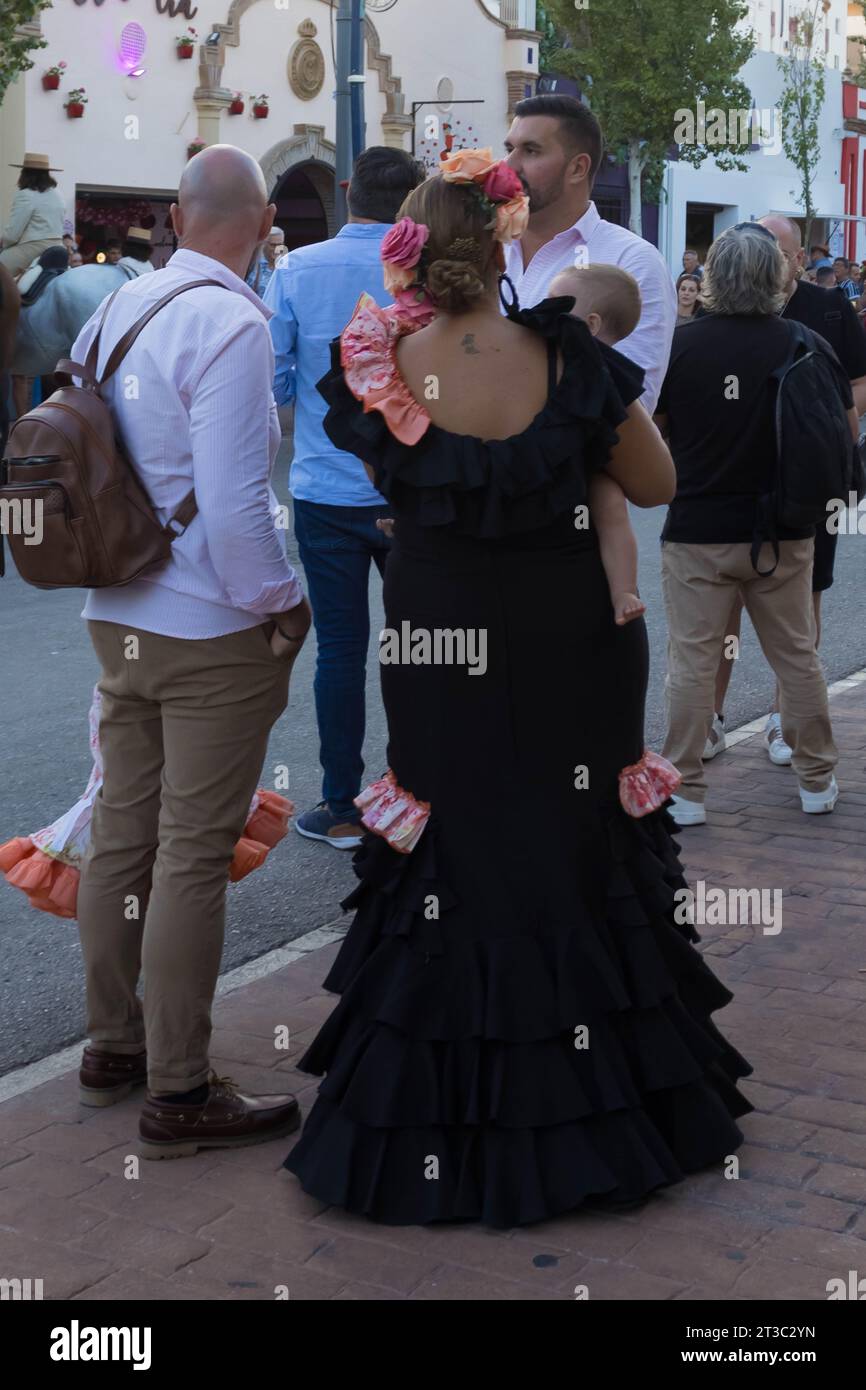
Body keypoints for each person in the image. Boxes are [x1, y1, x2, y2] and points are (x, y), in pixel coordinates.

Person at [283, 151, 753, 1228]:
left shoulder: (384, 355)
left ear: (410, 244)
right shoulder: (564, 353)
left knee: (453, 839)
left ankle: (441, 1115)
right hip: (566, 637)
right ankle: (602, 1098)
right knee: (569, 837)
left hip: (440, 630)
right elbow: (653, 484)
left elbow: (377, 479)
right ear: (503, 237)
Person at [68, 144, 312, 1155]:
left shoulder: (113, 308)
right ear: (260, 228)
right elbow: (234, 504)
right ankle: (178, 1086)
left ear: (173, 215)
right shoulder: (232, 324)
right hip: (208, 626)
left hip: (112, 608)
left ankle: (112, 1045)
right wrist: (284, 603)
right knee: (192, 854)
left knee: (124, 835)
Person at [655, 223, 853, 826]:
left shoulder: (678, 347)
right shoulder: (806, 343)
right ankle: (816, 777)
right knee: (796, 656)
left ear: (712, 278)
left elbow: (654, 436)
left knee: (692, 661)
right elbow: (842, 436)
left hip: (697, 530)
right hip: (785, 529)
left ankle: (685, 790)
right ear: (779, 278)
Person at [265, 146, 425, 850]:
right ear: (413, 201)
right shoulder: (421, 273)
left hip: (325, 489)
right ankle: (415, 788)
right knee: (419, 644)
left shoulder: (296, 268)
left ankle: (340, 804)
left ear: (349, 188)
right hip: (408, 487)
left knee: (340, 650)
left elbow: (272, 380)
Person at [706, 213, 866, 766]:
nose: (761, 257)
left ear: (797, 259)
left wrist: (816, 426)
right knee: (720, 607)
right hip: (733, 487)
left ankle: (783, 721)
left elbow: (858, 383)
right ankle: (712, 718)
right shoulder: (717, 311)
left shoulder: (828, 312)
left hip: (805, 484)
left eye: (774, 249)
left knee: (801, 608)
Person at [502, 94, 676, 412]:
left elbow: (629, 409)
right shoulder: (484, 249)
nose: (509, 165)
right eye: (509, 149)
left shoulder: (632, 261)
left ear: (578, 168)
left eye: (530, 150)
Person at [547, 262, 645, 624]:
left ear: (590, 324)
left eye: (554, 303)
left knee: (611, 507)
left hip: (592, 464)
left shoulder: (611, 372)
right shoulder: (542, 355)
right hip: (548, 460)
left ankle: (623, 591)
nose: (543, 310)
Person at [0, 153, 65, 277]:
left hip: (33, 247)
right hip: (58, 246)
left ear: (25, 174)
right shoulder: (58, 194)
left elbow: (13, 234)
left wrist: (4, 242)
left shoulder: (25, 194)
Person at [247, 226, 285, 298]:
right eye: (273, 245)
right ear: (264, 244)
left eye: (280, 245)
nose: (277, 249)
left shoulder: (285, 264)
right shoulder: (253, 264)